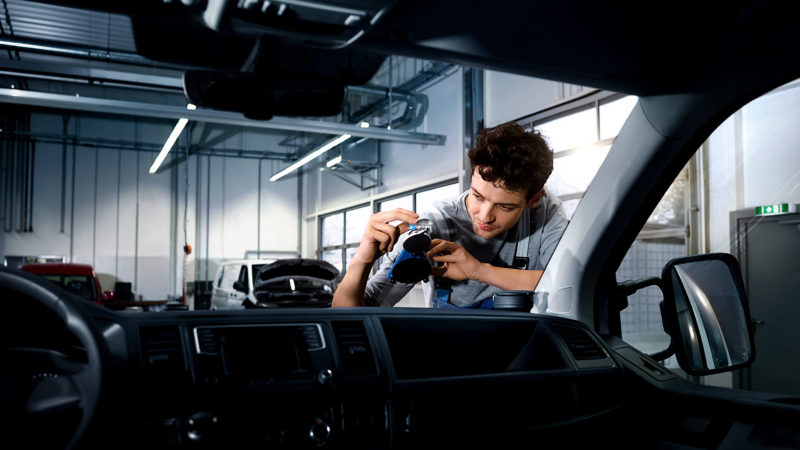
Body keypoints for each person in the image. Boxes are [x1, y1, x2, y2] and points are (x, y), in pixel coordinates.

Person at [331, 122, 569, 308]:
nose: (485, 216)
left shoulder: (546, 212)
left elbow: (570, 283)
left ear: (534, 199)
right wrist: (360, 263)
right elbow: (351, 315)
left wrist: (479, 271)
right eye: (477, 196)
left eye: (505, 207)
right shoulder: (434, 226)